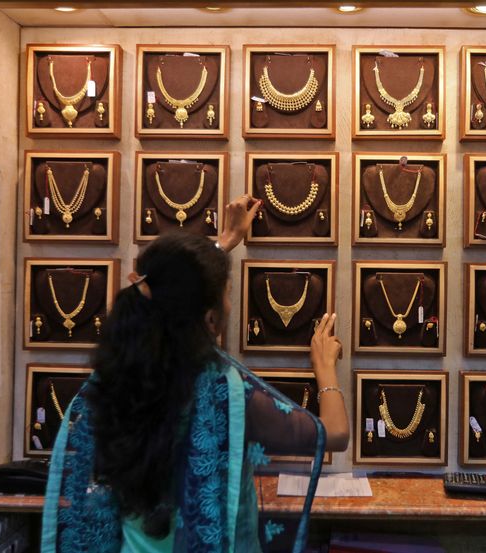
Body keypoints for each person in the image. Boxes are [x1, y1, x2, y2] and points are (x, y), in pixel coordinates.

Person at [41, 195, 349, 553]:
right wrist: (326, 368)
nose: (231, 304)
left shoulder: (107, 385)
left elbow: (171, 286)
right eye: (227, 296)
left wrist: (220, 247)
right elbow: (334, 434)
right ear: (210, 319)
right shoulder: (228, 396)